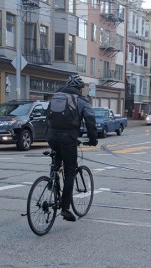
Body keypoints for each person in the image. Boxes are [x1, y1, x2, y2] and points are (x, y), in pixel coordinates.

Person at [46, 75, 97, 222]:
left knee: (57, 160)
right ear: (80, 88)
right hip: (68, 139)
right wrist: (93, 139)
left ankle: (51, 180)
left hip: (51, 136)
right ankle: (65, 208)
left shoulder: (55, 97)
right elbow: (90, 120)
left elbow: (47, 117)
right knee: (70, 171)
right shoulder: (81, 101)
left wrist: (49, 135)